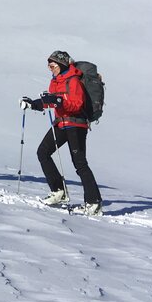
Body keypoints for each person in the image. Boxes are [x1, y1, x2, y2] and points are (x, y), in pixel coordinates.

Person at [21, 51, 103, 215]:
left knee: (79, 163)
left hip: (76, 124)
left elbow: (77, 105)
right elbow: (51, 101)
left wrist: (59, 101)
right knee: (43, 152)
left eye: (52, 65)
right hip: (61, 123)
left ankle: (94, 203)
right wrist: (33, 104)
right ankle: (59, 192)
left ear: (62, 64)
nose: (50, 68)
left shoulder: (73, 80)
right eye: (48, 66)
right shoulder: (55, 81)